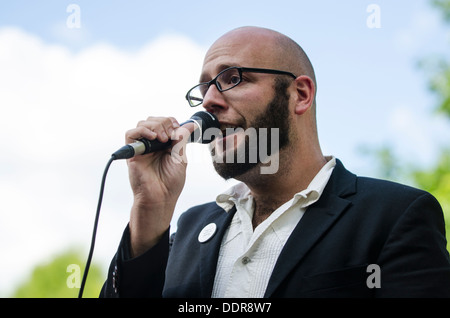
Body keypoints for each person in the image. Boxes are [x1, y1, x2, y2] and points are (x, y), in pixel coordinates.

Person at [101, 26, 450, 298]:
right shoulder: (188, 230)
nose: (208, 101)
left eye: (232, 78)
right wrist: (150, 211)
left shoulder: (394, 216)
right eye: (204, 88)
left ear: (300, 94)